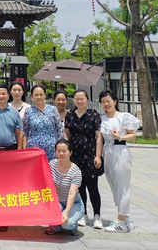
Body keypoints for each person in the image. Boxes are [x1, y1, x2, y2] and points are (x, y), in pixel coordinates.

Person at [99, 89, 140, 233]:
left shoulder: (123, 117)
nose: (106, 104)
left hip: (120, 151)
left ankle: (121, 221)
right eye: (103, 102)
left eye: (108, 101)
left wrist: (120, 137)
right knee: (113, 185)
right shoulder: (102, 118)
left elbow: (133, 136)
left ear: (115, 101)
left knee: (122, 186)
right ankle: (125, 218)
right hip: (107, 152)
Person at [65, 89, 104, 229]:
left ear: (87, 100)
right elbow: (67, 134)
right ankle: (84, 214)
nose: (79, 101)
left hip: (90, 155)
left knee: (93, 187)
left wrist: (98, 156)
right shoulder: (70, 115)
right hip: (75, 156)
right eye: (77, 98)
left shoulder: (93, 114)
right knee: (79, 187)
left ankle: (97, 216)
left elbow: (98, 136)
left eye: (82, 98)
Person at [46, 139, 85, 236]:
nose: (61, 153)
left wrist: (66, 213)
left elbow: (72, 194)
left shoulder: (75, 171)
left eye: (64, 151)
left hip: (74, 203)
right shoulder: (52, 164)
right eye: (58, 151)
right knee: (50, 219)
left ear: (70, 152)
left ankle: (73, 225)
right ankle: (56, 227)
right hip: (57, 202)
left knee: (67, 224)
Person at [22, 84, 62, 160]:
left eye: (41, 94)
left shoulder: (53, 110)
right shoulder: (28, 111)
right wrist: (24, 149)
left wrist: (60, 148)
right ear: (32, 96)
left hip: (51, 149)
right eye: (36, 95)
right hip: (33, 149)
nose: (39, 97)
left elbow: (59, 130)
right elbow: (25, 132)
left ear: (45, 95)